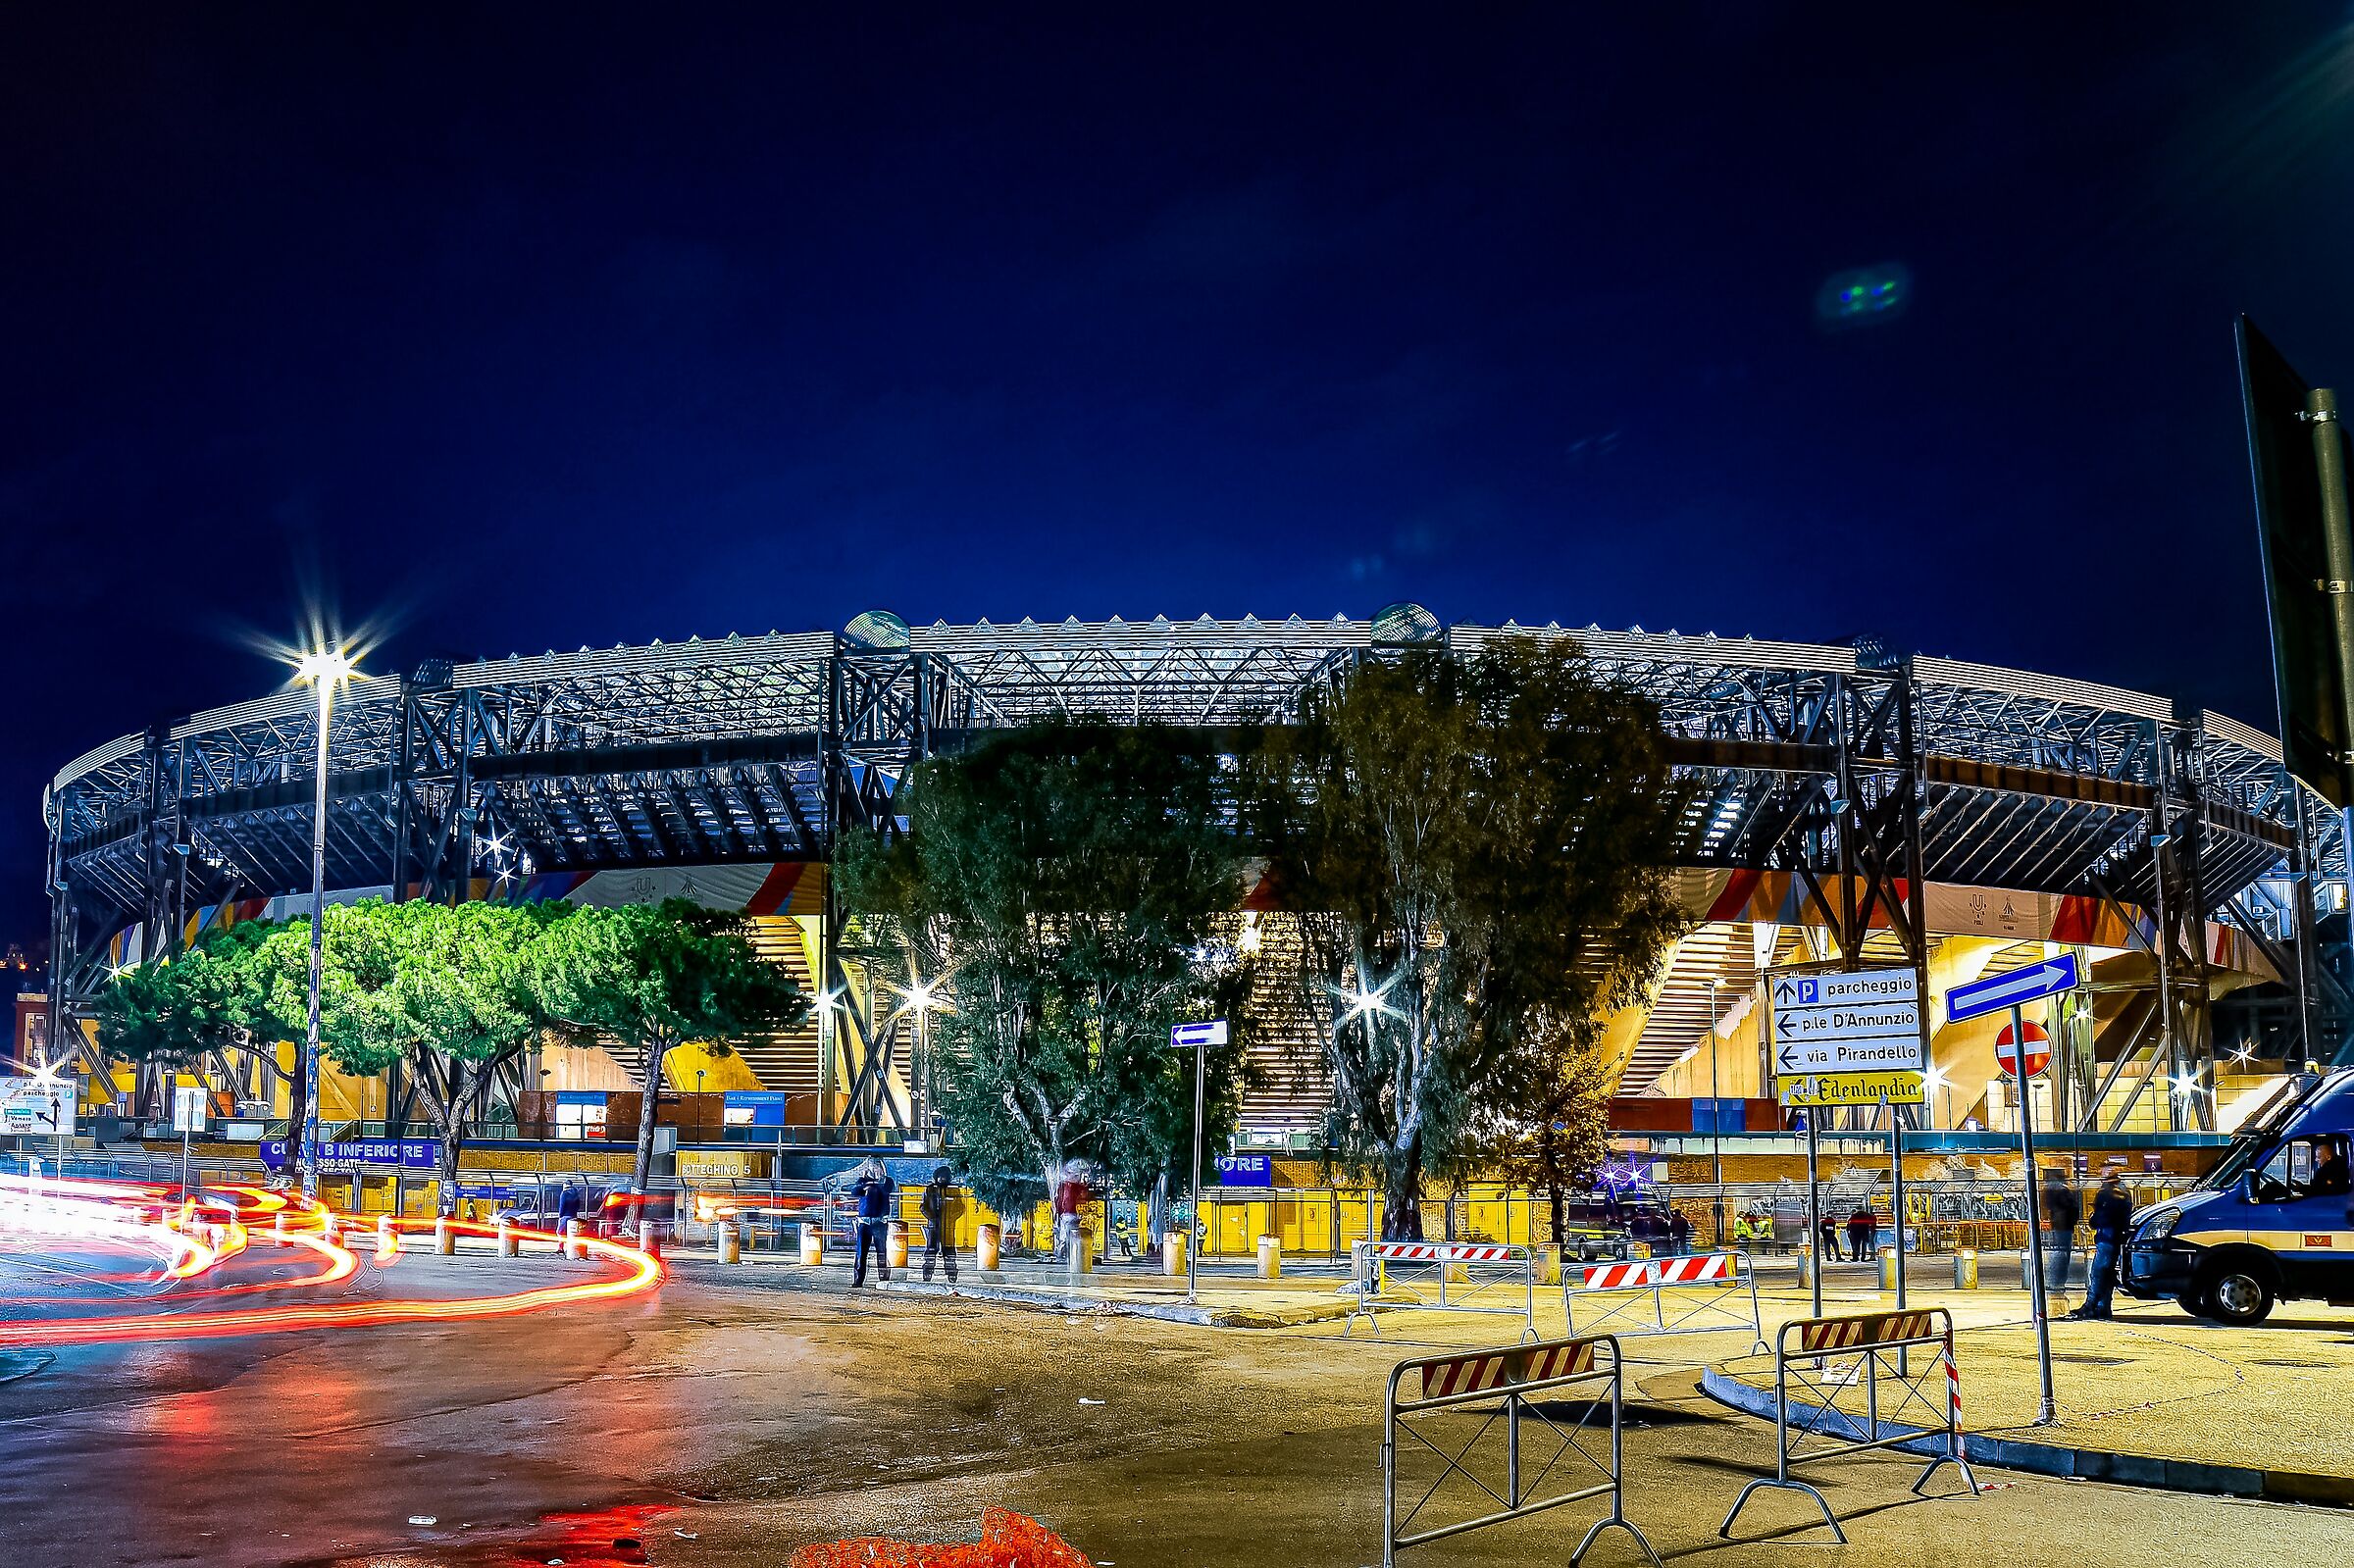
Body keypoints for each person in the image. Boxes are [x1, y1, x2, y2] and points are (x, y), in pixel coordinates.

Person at [2070, 1169, 2134, 1320]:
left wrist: (2093, 1218)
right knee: (2107, 1273)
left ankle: (2090, 1306)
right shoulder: (2125, 1194)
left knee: (2098, 1273)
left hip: (2106, 1237)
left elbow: (2099, 1218)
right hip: (2117, 1237)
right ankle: (2103, 1307)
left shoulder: (2105, 1193)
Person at [850, 1158, 896, 1287]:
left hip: (879, 1221)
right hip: (864, 1221)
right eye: (874, 1166)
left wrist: (876, 1182)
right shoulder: (863, 1180)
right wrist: (864, 1183)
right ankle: (858, 1280)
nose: (876, 1169)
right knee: (861, 1252)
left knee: (881, 1252)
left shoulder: (887, 1180)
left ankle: (884, 1280)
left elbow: (888, 1189)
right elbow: (855, 1192)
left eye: (878, 1166)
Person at [2039, 1167, 2080, 1303]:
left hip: (2059, 1224)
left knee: (2059, 1252)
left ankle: (2055, 1281)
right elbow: (2071, 1207)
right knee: (2062, 1252)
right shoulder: (2062, 1190)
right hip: (2064, 1225)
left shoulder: (2050, 1189)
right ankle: (2058, 1281)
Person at [919, 1165, 961, 1284]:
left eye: (945, 1176)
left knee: (949, 1252)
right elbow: (923, 1206)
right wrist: (932, 1217)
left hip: (947, 1226)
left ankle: (951, 1274)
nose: (942, 1179)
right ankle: (927, 1273)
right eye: (940, 1176)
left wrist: (950, 1218)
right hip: (933, 1225)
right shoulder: (930, 1189)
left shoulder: (953, 1189)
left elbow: (960, 1207)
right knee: (931, 1250)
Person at [1053, 1163, 1090, 1266]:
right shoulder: (1072, 1186)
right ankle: (1067, 1254)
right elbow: (1083, 1189)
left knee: (1066, 1236)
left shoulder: (1063, 1187)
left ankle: (1062, 1254)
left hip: (1065, 1215)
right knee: (1070, 1236)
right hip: (1070, 1215)